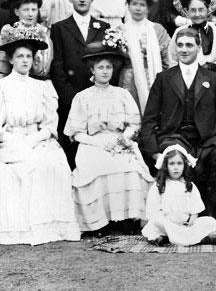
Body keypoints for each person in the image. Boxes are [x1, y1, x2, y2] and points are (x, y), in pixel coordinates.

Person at [0, 26, 81, 245]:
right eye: (20, 56)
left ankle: (50, 226)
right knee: (22, 168)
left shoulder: (42, 87)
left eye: (29, 56)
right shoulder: (0, 87)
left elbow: (49, 124)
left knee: (55, 163)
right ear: (10, 59)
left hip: (37, 139)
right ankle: (19, 228)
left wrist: (35, 139)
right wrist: (16, 141)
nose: (25, 61)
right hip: (8, 142)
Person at [140, 28, 216, 222]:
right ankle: (181, 215)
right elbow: (149, 118)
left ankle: (211, 211)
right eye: (180, 45)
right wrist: (154, 152)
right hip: (174, 136)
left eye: (189, 45)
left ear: (198, 48)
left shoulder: (213, 78)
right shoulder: (164, 78)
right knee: (177, 158)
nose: (184, 50)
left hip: (207, 139)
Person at [64, 41, 152, 235]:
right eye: (100, 67)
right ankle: (100, 222)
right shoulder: (82, 97)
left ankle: (127, 218)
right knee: (96, 168)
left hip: (119, 140)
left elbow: (134, 124)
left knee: (129, 166)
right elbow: (76, 132)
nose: (105, 71)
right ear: (92, 70)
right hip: (93, 143)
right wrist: (96, 142)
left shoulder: (122, 94)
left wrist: (123, 139)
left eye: (108, 67)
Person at [50, 0, 112, 167]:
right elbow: (57, 66)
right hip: (71, 99)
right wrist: (72, 98)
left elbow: (109, 63)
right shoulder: (60, 28)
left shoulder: (104, 27)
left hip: (98, 99)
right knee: (73, 149)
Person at [142, 146, 216, 246]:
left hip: (184, 225)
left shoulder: (189, 185)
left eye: (179, 163)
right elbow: (153, 210)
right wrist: (167, 222)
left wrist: (191, 222)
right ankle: (197, 239)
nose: (176, 167)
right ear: (166, 166)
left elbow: (195, 209)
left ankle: (171, 238)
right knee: (155, 223)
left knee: (211, 222)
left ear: (184, 166)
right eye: (172, 164)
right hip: (166, 224)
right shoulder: (159, 185)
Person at [117, 0, 173, 113]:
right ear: (128, 6)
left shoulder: (157, 30)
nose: (138, 8)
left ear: (148, 8)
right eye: (134, 4)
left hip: (154, 77)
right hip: (129, 79)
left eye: (142, 5)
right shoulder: (120, 31)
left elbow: (167, 59)